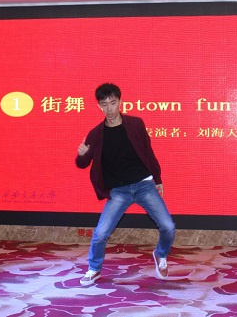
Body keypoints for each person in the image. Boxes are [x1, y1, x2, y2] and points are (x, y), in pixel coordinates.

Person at [75, 83, 176, 286]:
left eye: (113, 103)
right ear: (99, 106)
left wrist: (157, 180)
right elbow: (82, 164)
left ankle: (160, 254)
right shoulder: (96, 134)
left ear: (120, 101)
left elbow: (148, 152)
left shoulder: (135, 124)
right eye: (104, 104)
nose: (109, 109)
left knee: (168, 226)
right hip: (118, 191)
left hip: (143, 185)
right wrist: (82, 155)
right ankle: (94, 269)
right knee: (101, 233)